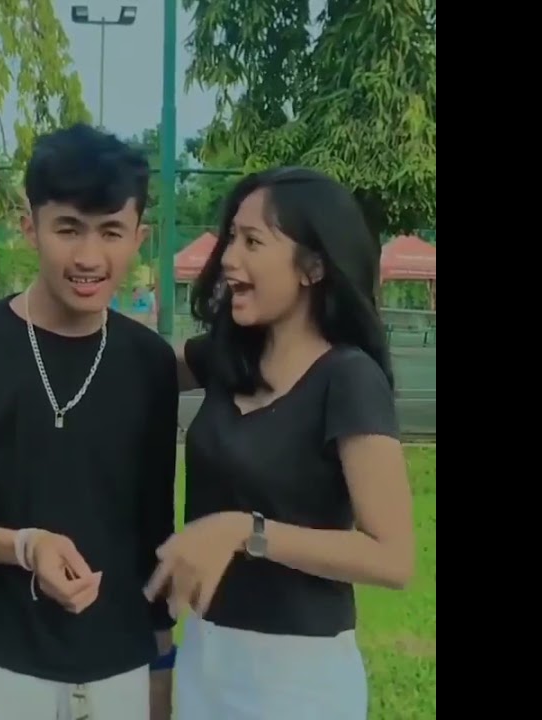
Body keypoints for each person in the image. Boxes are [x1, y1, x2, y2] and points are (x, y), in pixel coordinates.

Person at [0, 124, 178, 720]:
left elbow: (152, 526)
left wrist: (160, 662)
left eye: (111, 232)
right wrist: (23, 546)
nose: (89, 257)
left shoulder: (149, 362)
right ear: (30, 227)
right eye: (68, 229)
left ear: (139, 237)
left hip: (120, 668)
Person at [146, 167, 415, 720]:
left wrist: (245, 532)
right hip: (206, 659)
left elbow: (393, 557)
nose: (228, 258)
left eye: (252, 242)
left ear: (313, 266)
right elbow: (130, 372)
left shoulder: (348, 379)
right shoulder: (226, 357)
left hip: (298, 680)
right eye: (231, 238)